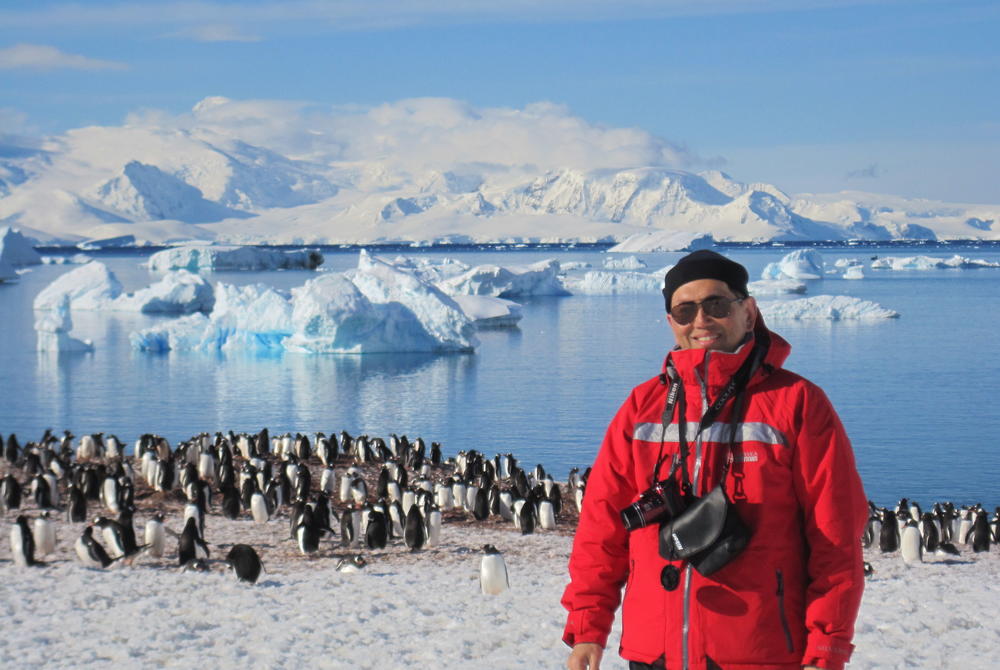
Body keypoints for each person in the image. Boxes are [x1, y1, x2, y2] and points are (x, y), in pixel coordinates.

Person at [562, 250, 867, 670]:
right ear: (671, 322)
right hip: (655, 652)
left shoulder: (796, 403)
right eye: (685, 310)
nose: (701, 321)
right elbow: (602, 525)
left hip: (761, 651)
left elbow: (834, 532)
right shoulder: (642, 407)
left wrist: (828, 643)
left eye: (716, 304)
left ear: (749, 310)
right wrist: (587, 628)